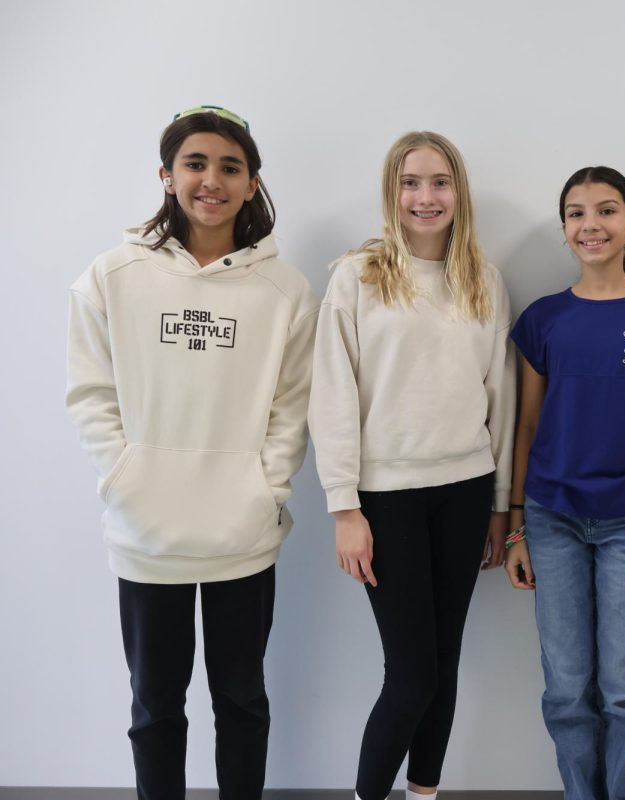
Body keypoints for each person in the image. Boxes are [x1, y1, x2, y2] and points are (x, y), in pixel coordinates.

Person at [66, 105, 319, 800]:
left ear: (252, 182)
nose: (213, 180)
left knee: (241, 701)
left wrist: (264, 491)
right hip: (145, 530)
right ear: (167, 177)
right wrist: (126, 478)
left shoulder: (284, 289)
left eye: (230, 167)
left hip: (241, 532)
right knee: (155, 708)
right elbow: (90, 393)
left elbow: (292, 406)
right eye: (196, 164)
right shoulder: (112, 276)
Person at [308, 131, 516, 800]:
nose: (425, 197)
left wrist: (501, 504)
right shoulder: (358, 276)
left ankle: (423, 795)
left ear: (459, 193)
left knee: (444, 665)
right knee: (413, 675)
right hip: (387, 498)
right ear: (391, 193)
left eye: (439, 182)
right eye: (410, 182)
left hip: (465, 491)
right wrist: (345, 507)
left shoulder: (483, 279)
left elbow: (501, 396)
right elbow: (332, 393)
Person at [503, 166, 625, 800]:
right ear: (564, 230)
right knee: (566, 687)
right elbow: (525, 426)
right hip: (551, 517)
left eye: (607, 211)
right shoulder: (544, 319)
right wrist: (515, 529)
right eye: (577, 213)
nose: (592, 224)